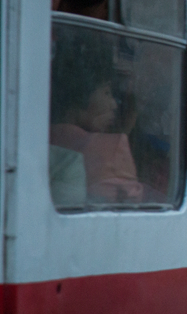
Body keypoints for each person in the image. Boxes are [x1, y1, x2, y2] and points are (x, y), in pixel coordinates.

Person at [49, 41, 143, 204]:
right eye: (106, 92)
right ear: (80, 95)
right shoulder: (113, 149)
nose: (114, 104)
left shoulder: (37, 140)